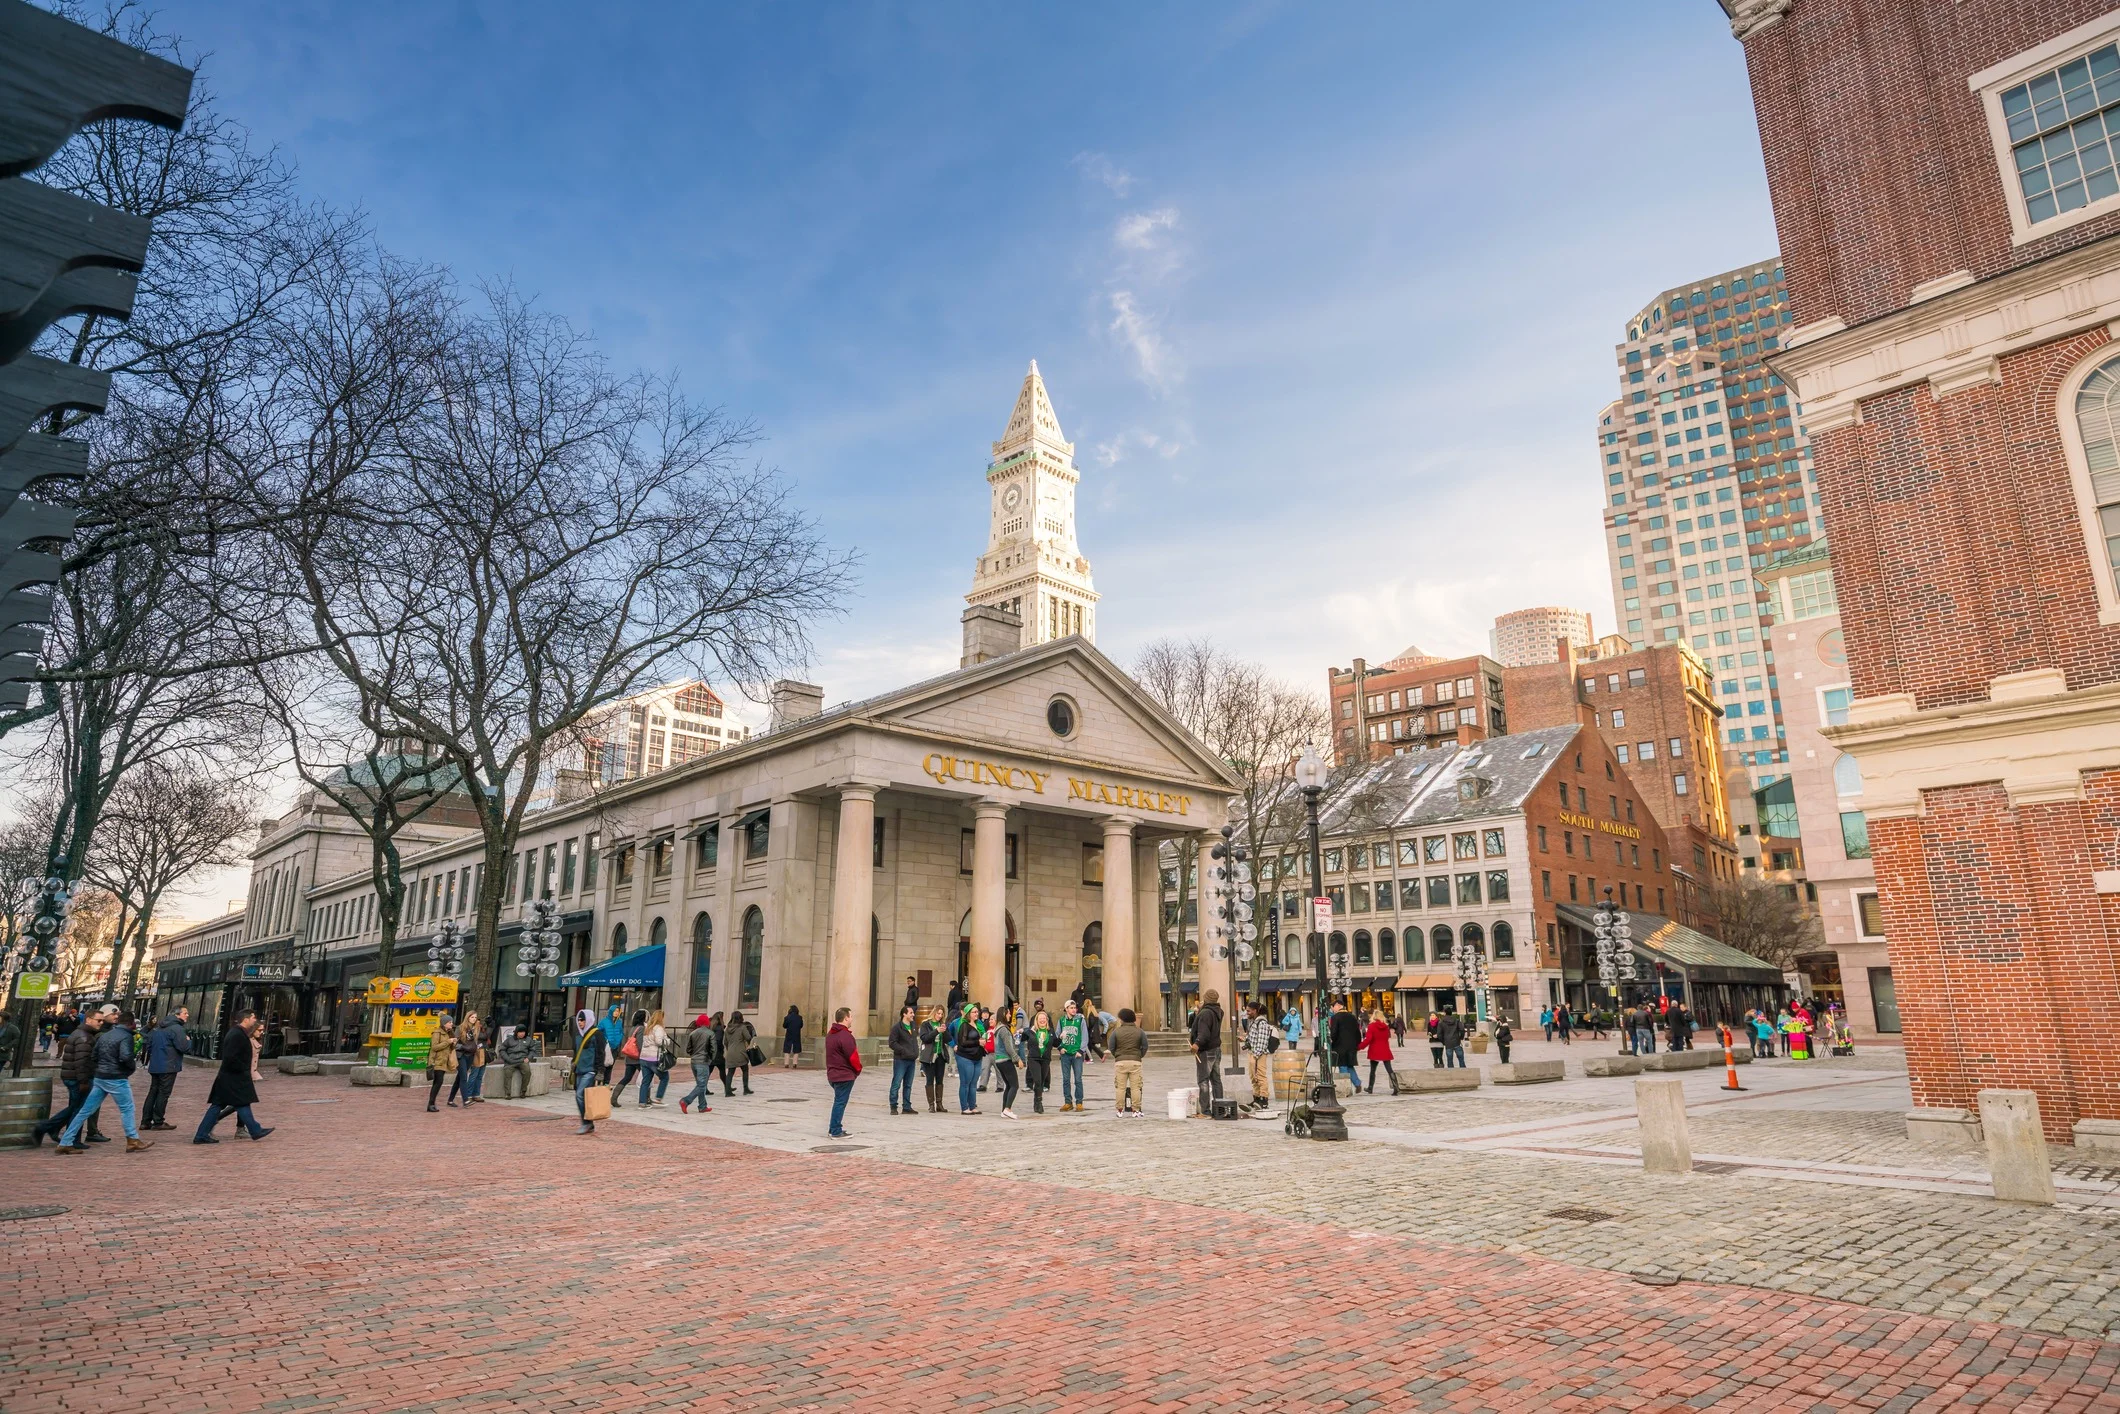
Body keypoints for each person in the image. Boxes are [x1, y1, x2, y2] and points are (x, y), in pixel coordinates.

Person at [56, 1007, 152, 1154]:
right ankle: (132, 1140)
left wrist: (100, 1069)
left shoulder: (105, 1035)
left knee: (85, 1111)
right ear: (131, 1023)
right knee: (127, 1108)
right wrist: (129, 1069)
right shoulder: (125, 1037)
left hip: (100, 1077)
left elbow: (94, 1056)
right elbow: (126, 1057)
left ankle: (66, 1141)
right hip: (116, 1078)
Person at [193, 1010, 272, 1144]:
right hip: (233, 1078)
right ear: (245, 1019)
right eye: (253, 1017)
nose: (255, 1020)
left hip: (229, 1077)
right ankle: (255, 1130)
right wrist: (242, 1069)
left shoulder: (238, 1033)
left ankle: (202, 1134)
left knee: (220, 1105)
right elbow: (231, 1057)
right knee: (240, 1103)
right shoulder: (237, 1034)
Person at [35, 1006, 106, 1146]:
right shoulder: (83, 1037)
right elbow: (82, 1062)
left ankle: (52, 1129)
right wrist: (83, 1081)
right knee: (78, 1109)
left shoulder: (83, 1034)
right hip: (76, 1078)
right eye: (99, 1020)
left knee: (75, 1107)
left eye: (102, 1021)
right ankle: (62, 1134)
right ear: (89, 1020)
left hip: (74, 1076)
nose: (101, 1023)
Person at [140, 1006, 192, 1132]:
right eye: (185, 1013)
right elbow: (184, 1047)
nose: (187, 1015)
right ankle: (158, 1121)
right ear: (177, 1015)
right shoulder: (177, 1029)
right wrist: (189, 1041)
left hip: (156, 1064)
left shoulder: (158, 1028)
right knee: (163, 1093)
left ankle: (145, 1121)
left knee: (153, 1092)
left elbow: (149, 1044)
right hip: (169, 1065)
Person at [570, 1009, 610, 1136]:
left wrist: (600, 1071)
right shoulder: (578, 1034)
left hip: (590, 1070)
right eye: (579, 1020)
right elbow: (576, 1052)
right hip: (579, 1070)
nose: (580, 1022)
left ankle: (586, 1123)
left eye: (583, 1020)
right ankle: (588, 1122)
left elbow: (600, 1053)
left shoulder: (596, 1034)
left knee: (580, 1095)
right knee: (581, 1097)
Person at [824, 1006, 861, 1138]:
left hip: (833, 1074)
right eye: (851, 1016)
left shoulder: (831, 1035)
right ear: (846, 1018)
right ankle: (835, 1130)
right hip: (844, 1075)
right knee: (840, 1102)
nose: (851, 1019)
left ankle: (833, 1127)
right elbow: (853, 1056)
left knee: (838, 1101)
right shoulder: (845, 1036)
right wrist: (858, 1070)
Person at [1190, 988, 1225, 1114]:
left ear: (1206, 999)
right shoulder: (1218, 1011)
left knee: (1203, 1080)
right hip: (1216, 1048)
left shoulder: (1206, 1013)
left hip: (1206, 1050)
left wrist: (1196, 1044)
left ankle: (1205, 1110)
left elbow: (1204, 1033)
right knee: (1216, 1079)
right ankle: (1220, 1107)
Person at [1108, 1006, 1148, 1117]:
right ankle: (1136, 1110)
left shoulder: (1116, 1032)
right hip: (1135, 1061)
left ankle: (1120, 1110)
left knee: (1120, 1087)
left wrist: (1117, 1055)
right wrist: (1139, 1055)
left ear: (1122, 1019)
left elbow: (1111, 1046)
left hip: (1120, 1062)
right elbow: (1145, 1046)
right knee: (1136, 1087)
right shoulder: (1140, 1032)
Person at [678, 1014, 717, 1115]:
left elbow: (688, 1049)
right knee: (702, 1084)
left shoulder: (693, 1033)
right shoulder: (710, 1033)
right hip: (703, 1061)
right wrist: (710, 1060)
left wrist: (694, 1055)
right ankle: (686, 1101)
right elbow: (713, 1049)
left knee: (701, 1084)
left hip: (694, 1061)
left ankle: (702, 1106)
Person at [1056, 1000, 1089, 1112]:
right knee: (1066, 1079)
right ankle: (1067, 1102)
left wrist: (1081, 1050)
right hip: (1065, 1054)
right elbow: (1057, 1036)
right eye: (1071, 1008)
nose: (1074, 1010)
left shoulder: (1080, 1020)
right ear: (1066, 1009)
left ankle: (1079, 1102)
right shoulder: (1061, 1021)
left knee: (1078, 1079)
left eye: (1075, 1008)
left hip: (1077, 1054)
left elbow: (1085, 1036)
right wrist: (1060, 1047)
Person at [953, 1002, 986, 1114]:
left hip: (977, 1057)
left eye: (977, 1012)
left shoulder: (979, 1025)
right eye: (974, 1012)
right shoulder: (964, 1025)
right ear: (968, 1014)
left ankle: (972, 1106)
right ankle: (964, 1107)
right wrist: (978, 1042)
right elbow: (963, 1042)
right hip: (965, 1057)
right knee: (965, 1082)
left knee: (973, 1083)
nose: (977, 1014)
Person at [1022, 1006, 1055, 1115]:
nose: (1042, 1020)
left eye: (1044, 1018)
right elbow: (1020, 1039)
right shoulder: (1031, 1032)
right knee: (1038, 1080)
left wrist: (1062, 1041)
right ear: (1036, 1020)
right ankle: (1039, 1102)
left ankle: (1037, 1100)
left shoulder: (1050, 1032)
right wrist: (1025, 1031)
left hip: (1045, 1059)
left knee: (1041, 1081)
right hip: (1034, 1058)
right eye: (1040, 1018)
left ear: (1047, 1021)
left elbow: (1056, 1043)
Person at [887, 1004, 919, 1116]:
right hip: (901, 1059)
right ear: (904, 1014)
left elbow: (914, 1040)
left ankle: (906, 1106)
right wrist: (903, 1050)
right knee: (897, 1082)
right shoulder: (897, 1028)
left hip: (911, 1059)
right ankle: (893, 1105)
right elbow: (892, 1043)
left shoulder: (913, 1025)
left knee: (908, 1084)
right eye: (911, 1013)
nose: (913, 1015)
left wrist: (915, 1052)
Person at [1243, 1002, 1276, 1111]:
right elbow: (1254, 1038)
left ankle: (1264, 1099)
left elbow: (1262, 1041)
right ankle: (1256, 1098)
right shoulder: (1253, 1022)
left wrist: (1256, 1056)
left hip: (1259, 1054)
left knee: (1260, 1076)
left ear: (1255, 1011)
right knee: (1253, 1076)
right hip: (1252, 1052)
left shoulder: (1261, 1023)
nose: (1246, 1013)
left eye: (1248, 1011)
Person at [991, 1005, 1022, 1118]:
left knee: (1008, 1085)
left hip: (999, 1060)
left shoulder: (998, 1028)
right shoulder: (1003, 1029)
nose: (1010, 1015)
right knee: (1014, 1085)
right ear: (1004, 1014)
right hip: (1005, 1059)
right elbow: (1009, 1047)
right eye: (1009, 1013)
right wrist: (1017, 1059)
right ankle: (1008, 1109)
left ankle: (1004, 1109)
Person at [632, 1010, 669, 1107]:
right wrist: (667, 1041)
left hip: (644, 1057)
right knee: (665, 1077)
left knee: (646, 1080)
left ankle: (642, 1102)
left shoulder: (647, 1028)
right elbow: (659, 1041)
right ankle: (658, 1097)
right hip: (654, 1057)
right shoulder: (658, 1028)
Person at [450, 1011, 486, 1106]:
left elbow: (483, 1038)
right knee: (463, 1077)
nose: (474, 1019)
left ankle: (450, 1099)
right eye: (472, 1017)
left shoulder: (476, 1029)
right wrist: (462, 1047)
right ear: (468, 1017)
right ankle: (465, 1100)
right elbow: (454, 1043)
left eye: (475, 1017)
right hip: (461, 1054)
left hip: (470, 1055)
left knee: (459, 1078)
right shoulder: (461, 1028)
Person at [919, 1005, 951, 1113]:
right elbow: (925, 1038)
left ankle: (939, 1104)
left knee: (940, 1079)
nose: (940, 1016)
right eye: (938, 1013)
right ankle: (931, 1104)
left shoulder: (942, 1024)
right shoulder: (926, 1024)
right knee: (929, 1079)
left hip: (940, 1055)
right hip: (929, 1056)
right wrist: (936, 1031)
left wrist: (944, 1031)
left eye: (942, 1014)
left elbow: (948, 1039)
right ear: (934, 1013)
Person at [1328, 1001, 1362, 1093]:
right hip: (1352, 1046)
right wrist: (1357, 1043)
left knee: (1342, 1065)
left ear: (1338, 1006)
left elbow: (1334, 1032)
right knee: (1350, 1065)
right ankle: (1357, 1083)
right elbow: (1358, 1032)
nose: (1332, 1009)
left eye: (1333, 1006)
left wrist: (1331, 1040)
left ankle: (1345, 1087)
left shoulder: (1335, 1017)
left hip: (1340, 1045)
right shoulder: (1352, 1017)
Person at [426, 1017, 458, 1112]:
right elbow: (434, 1047)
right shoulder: (437, 1033)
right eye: (449, 1022)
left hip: (444, 1061)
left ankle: (432, 1103)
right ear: (444, 1023)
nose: (451, 1024)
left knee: (438, 1082)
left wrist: (454, 1043)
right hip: (437, 1061)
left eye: (452, 1022)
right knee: (438, 1082)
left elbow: (450, 1048)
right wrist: (448, 1041)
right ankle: (431, 1104)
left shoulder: (450, 1033)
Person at [497, 1025, 538, 1099]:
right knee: (507, 1073)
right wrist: (507, 1059)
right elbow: (502, 1050)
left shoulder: (529, 1040)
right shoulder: (509, 1040)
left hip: (522, 1060)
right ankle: (508, 1093)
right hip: (510, 1060)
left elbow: (532, 1050)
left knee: (527, 1072)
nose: (522, 1034)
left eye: (524, 1032)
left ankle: (523, 1091)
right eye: (520, 1032)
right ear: (516, 1032)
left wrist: (528, 1058)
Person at [1362, 1009, 1397, 1095]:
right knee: (1389, 1069)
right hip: (1385, 1049)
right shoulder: (1386, 1027)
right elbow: (1387, 1037)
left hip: (1375, 1050)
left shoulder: (1371, 1026)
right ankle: (1396, 1087)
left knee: (1373, 1070)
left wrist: (1360, 1046)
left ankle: (1370, 1087)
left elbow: (1368, 1039)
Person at [722, 1010, 756, 1094]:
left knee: (730, 1072)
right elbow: (748, 1037)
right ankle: (745, 1089)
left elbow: (725, 1042)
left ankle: (728, 1091)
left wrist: (728, 1048)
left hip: (730, 1053)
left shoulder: (727, 1029)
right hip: (741, 1052)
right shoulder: (742, 1027)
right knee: (745, 1069)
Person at [596, 1003, 627, 1085]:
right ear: (611, 1011)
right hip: (606, 1046)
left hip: (615, 1047)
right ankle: (599, 1082)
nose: (616, 1012)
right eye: (615, 1011)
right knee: (603, 1064)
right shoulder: (604, 1022)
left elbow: (621, 1032)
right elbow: (598, 1032)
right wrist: (605, 1040)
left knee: (610, 1064)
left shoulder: (619, 1022)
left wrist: (619, 1039)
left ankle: (606, 1082)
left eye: (618, 1011)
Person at [780, 1004, 805, 1069]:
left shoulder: (787, 1017)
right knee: (796, 1049)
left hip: (789, 1034)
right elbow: (801, 1025)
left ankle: (786, 1063)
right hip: (797, 1035)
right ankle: (795, 1063)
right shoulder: (799, 1017)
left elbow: (784, 1026)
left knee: (787, 1049)